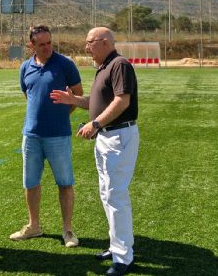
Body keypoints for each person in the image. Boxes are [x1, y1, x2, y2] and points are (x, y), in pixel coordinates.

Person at [50, 27, 139, 276]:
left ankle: (124, 257)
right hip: (107, 137)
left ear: (104, 42)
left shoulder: (119, 64)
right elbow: (97, 101)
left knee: (115, 195)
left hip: (117, 136)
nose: (85, 47)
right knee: (107, 193)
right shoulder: (104, 67)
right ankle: (117, 245)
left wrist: (96, 123)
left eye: (89, 42)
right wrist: (74, 101)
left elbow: (122, 101)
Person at [10, 25, 84, 247]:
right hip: (31, 135)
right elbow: (28, 95)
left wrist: (61, 114)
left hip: (58, 136)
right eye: (41, 44)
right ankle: (33, 226)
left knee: (65, 183)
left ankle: (68, 230)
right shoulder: (25, 67)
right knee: (31, 183)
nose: (47, 47)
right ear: (31, 45)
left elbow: (78, 94)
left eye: (49, 42)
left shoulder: (65, 64)